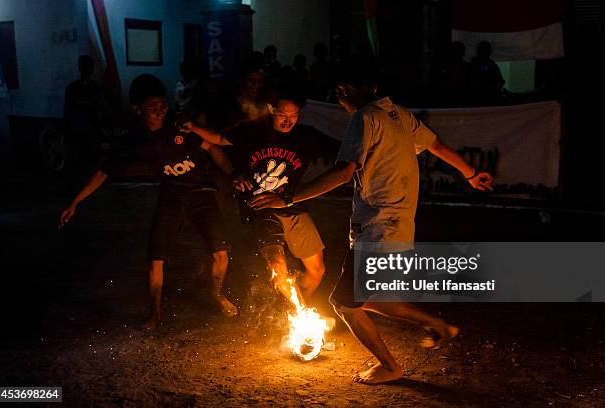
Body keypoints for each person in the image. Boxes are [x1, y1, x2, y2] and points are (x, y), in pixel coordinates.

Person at [249, 60, 493, 384]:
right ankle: (437, 325)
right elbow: (438, 146)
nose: (340, 97)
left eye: (341, 91)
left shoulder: (364, 118)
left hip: (378, 224)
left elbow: (344, 171)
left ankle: (390, 366)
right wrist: (471, 174)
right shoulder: (400, 115)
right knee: (370, 297)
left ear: (346, 91)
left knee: (345, 305)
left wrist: (288, 198)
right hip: (398, 223)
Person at [59, 74, 243, 331]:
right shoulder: (134, 141)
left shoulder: (179, 125)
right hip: (171, 194)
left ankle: (217, 294)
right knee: (155, 258)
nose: (160, 110)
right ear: (137, 109)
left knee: (221, 252)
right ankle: (155, 312)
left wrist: (233, 173)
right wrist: (75, 202)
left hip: (201, 191)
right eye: (152, 107)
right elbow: (103, 172)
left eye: (162, 104)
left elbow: (214, 146)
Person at [182, 87, 339, 306]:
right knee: (277, 264)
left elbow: (342, 153)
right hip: (259, 206)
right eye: (283, 114)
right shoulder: (252, 131)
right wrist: (194, 128)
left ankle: (291, 312)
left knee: (317, 270)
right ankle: (301, 316)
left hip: (292, 205)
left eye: (294, 115)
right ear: (270, 109)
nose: (288, 120)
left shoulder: (307, 136)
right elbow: (218, 138)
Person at [63, 54, 106, 180]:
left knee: (88, 162)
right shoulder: (74, 88)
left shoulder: (95, 88)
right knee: (80, 162)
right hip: (80, 131)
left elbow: (100, 109)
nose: (87, 70)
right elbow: (68, 111)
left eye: (89, 67)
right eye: (85, 67)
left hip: (89, 131)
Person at [469, 41, 505, 105]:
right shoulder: (489, 64)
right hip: (482, 97)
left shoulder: (491, 64)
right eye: (485, 50)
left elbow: (500, 80)